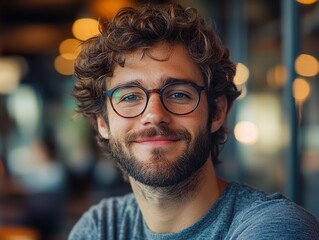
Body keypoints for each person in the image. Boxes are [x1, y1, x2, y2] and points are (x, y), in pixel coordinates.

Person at [68, 3, 319, 239]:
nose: (154, 115)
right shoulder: (101, 227)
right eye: (130, 97)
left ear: (217, 112)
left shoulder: (274, 227)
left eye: (178, 94)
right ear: (103, 122)